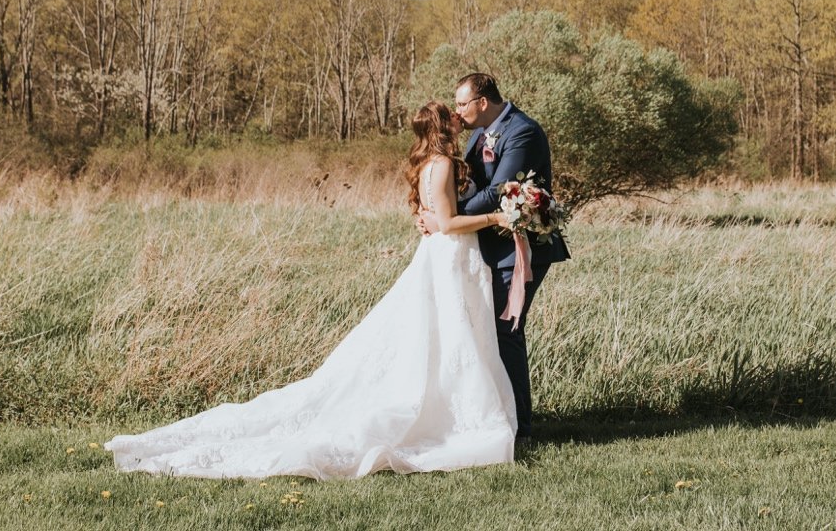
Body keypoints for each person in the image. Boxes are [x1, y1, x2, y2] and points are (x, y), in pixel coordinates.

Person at [105, 100, 516, 480]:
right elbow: (445, 223)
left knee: (446, 337)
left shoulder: (428, 164)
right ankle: (450, 417)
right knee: (450, 335)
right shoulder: (443, 164)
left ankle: (447, 406)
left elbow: (434, 216)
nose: (460, 123)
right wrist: (497, 217)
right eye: (453, 118)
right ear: (443, 127)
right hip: (446, 255)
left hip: (441, 257)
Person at [419, 72, 570, 441]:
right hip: (486, 248)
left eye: (461, 104)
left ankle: (521, 429)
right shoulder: (479, 135)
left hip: (518, 250)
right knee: (485, 334)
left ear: (481, 103)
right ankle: (494, 417)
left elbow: (500, 193)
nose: (458, 111)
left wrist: (447, 219)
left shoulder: (522, 132)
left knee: (506, 333)